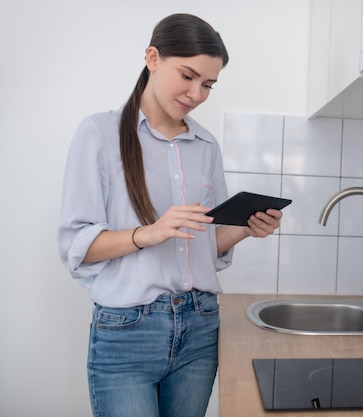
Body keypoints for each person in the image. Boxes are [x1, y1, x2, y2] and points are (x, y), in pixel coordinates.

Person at [57, 13, 282, 417]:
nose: (196, 93)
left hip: (200, 327)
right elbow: (77, 248)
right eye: (188, 76)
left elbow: (205, 245)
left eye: (208, 84)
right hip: (128, 331)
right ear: (153, 58)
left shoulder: (205, 145)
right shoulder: (99, 133)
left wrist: (247, 228)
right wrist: (147, 233)